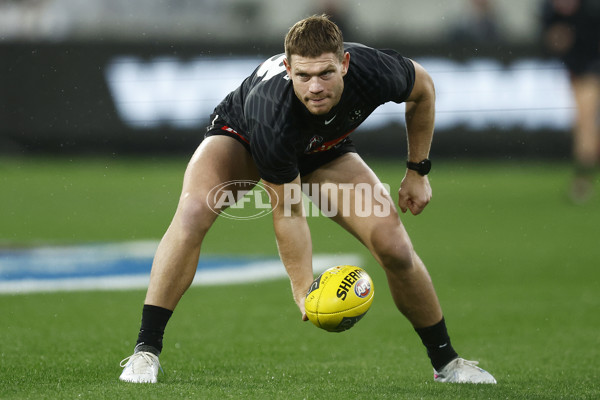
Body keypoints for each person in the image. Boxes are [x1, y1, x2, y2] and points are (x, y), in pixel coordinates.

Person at [119, 15, 496, 384]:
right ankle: (145, 350)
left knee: (394, 245)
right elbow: (288, 211)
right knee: (193, 211)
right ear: (288, 68)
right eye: (303, 76)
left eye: (325, 74)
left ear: (344, 63)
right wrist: (303, 291)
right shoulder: (272, 112)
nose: (315, 87)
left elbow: (423, 89)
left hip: (324, 148)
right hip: (245, 138)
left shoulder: (374, 70)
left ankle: (447, 363)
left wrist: (417, 171)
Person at [542, 0, 600, 203]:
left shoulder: (590, 11)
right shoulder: (551, 12)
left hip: (590, 73)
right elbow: (553, 42)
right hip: (574, 74)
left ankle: (582, 182)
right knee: (584, 127)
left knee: (585, 126)